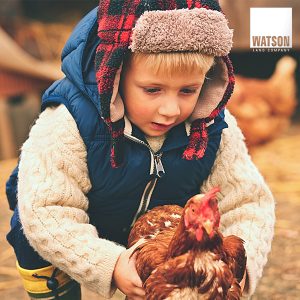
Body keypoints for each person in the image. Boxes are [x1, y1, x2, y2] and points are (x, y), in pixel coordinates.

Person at [6, 0, 275, 299]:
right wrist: (109, 264)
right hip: (84, 227)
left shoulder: (213, 127)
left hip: (166, 235)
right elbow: (47, 211)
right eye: (152, 90)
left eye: (188, 90)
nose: (171, 110)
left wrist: (233, 271)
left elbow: (248, 203)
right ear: (115, 76)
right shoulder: (69, 122)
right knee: (26, 229)